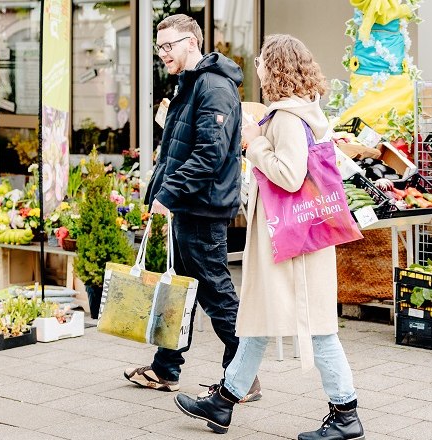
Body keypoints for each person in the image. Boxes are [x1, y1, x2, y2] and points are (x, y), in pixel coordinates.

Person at [173, 34, 365, 440]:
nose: (256, 66)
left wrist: (255, 145)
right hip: (290, 243)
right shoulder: (298, 113)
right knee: (257, 321)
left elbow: (291, 175)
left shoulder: (288, 119)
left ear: (275, 68)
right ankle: (224, 401)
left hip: (292, 247)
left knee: (317, 328)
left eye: (261, 61)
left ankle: (346, 413)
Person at [124, 14, 261, 402]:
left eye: (169, 45)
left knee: (216, 293)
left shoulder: (213, 86)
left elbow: (209, 154)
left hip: (202, 207)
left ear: (192, 43)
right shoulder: (192, 83)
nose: (163, 53)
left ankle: (242, 377)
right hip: (190, 204)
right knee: (179, 292)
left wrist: (168, 194)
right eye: (159, 46)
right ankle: (166, 369)